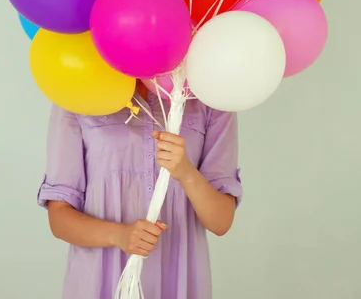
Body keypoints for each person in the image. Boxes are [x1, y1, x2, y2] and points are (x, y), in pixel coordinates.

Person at [38, 81, 242, 299]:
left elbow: (221, 221)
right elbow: (59, 218)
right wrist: (119, 235)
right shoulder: (76, 89)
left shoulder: (208, 92)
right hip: (98, 281)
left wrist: (186, 173)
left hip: (176, 280)